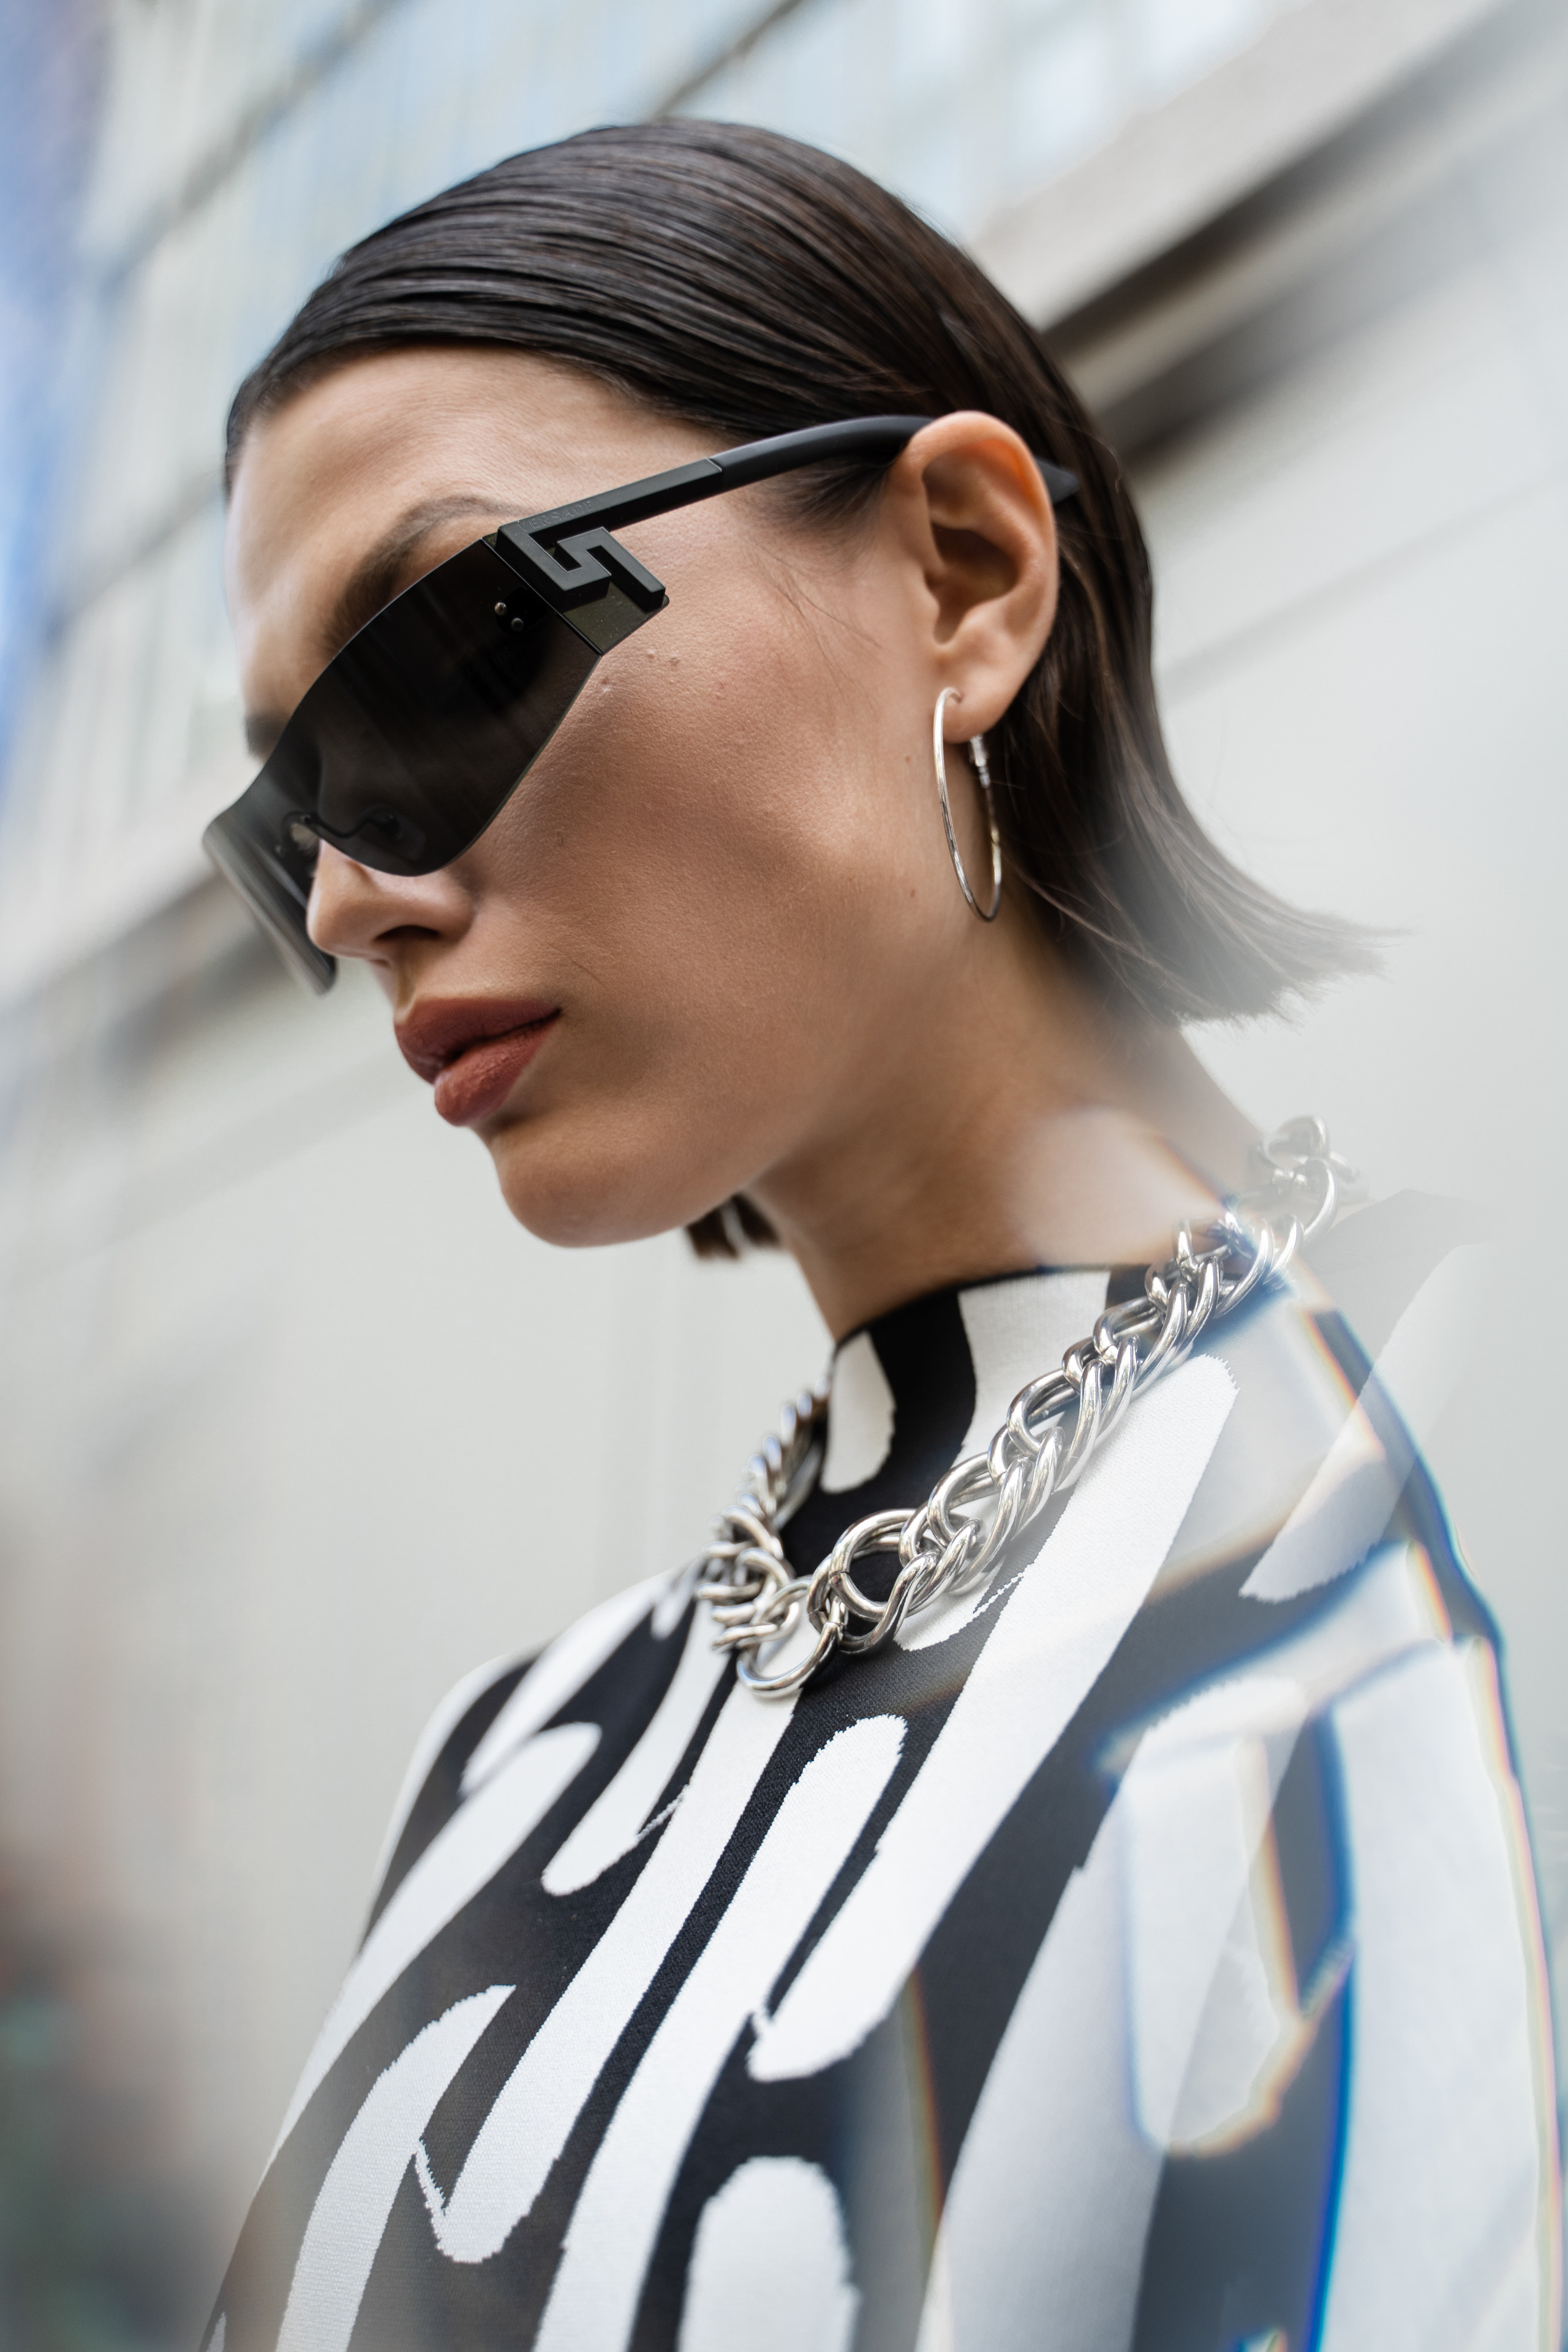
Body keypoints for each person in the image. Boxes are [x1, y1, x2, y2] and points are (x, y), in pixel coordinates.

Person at [202, 121, 1558, 2352]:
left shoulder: (1396, 1575)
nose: (352, 895)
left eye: (448, 655)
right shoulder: (513, 1752)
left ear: (961, 571)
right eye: (292, 818)